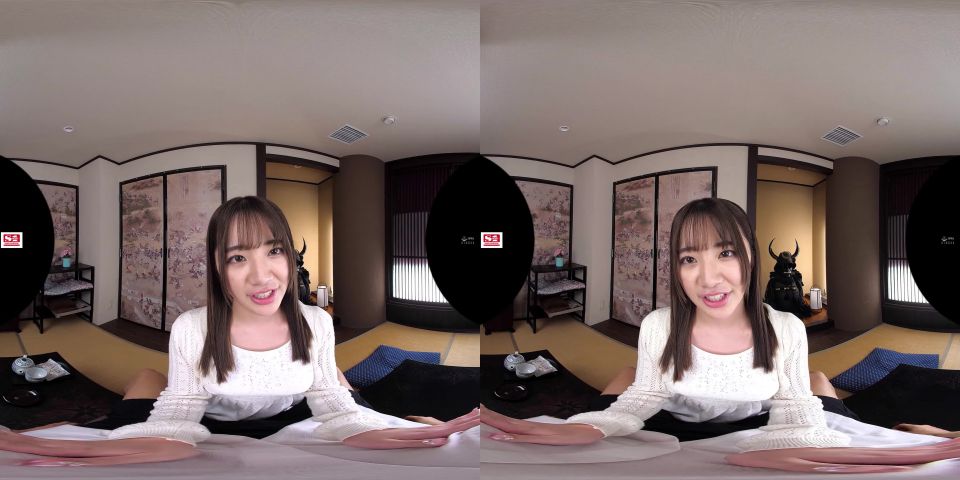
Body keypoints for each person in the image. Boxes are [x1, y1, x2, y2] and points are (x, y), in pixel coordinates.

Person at [480, 197, 960, 474]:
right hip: (673, 422)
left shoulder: (787, 328)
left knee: (814, 388)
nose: (708, 278)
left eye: (726, 253)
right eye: (689, 259)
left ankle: (905, 427)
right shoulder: (659, 326)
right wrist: (590, 426)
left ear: (750, 254)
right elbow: (643, 398)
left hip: (760, 420)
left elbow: (793, 409)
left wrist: (795, 446)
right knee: (626, 384)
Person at [0, 196, 477, 467]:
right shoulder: (191, 328)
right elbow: (180, 412)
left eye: (274, 251)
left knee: (338, 382)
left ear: (290, 256)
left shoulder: (316, 322)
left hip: (289, 413)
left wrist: (374, 427)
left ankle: (407, 417)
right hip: (207, 418)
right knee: (146, 382)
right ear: (218, 267)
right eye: (237, 257)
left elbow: (332, 404)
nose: (261, 276)